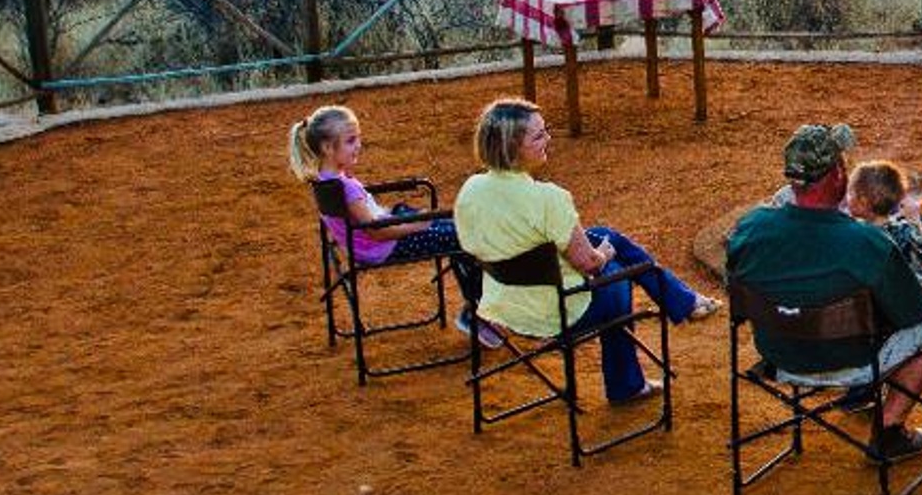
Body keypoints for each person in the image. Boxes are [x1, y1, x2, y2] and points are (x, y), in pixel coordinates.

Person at [451, 98, 717, 406]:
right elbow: (590, 265)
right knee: (616, 269)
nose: (548, 139)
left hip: (504, 307)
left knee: (606, 234)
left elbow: (471, 244)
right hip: (557, 314)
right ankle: (630, 381)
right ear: (512, 146)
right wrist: (604, 254)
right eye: (538, 136)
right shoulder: (549, 199)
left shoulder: (471, 189)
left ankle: (682, 301)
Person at [725, 123, 922, 464]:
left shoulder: (751, 227)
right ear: (838, 175)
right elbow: (912, 311)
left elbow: (736, 291)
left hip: (778, 356)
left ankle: (868, 403)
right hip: (853, 362)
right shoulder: (867, 242)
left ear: (793, 178)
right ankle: (888, 429)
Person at [288, 103, 490, 345]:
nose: (358, 145)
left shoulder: (324, 180)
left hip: (369, 242)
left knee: (447, 225)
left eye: (358, 138)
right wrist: (416, 225)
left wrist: (412, 220)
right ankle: (476, 313)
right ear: (327, 148)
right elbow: (377, 232)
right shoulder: (347, 188)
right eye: (351, 141)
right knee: (464, 236)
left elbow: (371, 223)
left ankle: (476, 306)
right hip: (382, 247)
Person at [848, 159, 922, 314]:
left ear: (863, 202)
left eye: (850, 193)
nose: (847, 197)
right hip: (920, 299)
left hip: (890, 305)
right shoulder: (905, 227)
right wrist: (915, 218)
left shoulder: (860, 235)